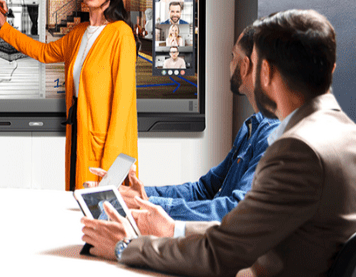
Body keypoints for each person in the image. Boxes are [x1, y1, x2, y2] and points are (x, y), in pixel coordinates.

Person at [82, 9, 356, 277]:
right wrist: (173, 228)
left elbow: (220, 257)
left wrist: (126, 246)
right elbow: (249, 233)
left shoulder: (297, 148)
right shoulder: (344, 132)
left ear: (265, 71)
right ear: (330, 68)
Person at [0, 0, 138, 190]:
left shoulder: (121, 34)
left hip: (106, 145)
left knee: (101, 215)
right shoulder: (78, 33)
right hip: (79, 134)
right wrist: (4, 26)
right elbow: (43, 52)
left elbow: (123, 104)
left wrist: (112, 164)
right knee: (77, 208)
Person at [114, 26, 279, 222]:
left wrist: (145, 203)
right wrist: (136, 194)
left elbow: (234, 209)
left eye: (233, 56)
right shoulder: (250, 127)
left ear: (245, 66)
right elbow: (203, 189)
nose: (230, 63)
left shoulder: (272, 134)